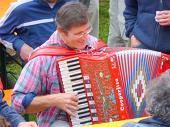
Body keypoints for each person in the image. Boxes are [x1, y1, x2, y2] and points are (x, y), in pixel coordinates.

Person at [11, 2, 100, 127]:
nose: (85, 38)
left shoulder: (94, 45)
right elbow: (17, 102)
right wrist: (54, 99)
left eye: (87, 31)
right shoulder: (42, 59)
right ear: (61, 32)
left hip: (101, 111)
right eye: (78, 33)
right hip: (60, 119)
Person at [0, 0, 77, 62]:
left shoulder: (73, 4)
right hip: (37, 68)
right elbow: (2, 32)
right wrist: (20, 45)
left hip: (70, 65)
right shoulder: (20, 8)